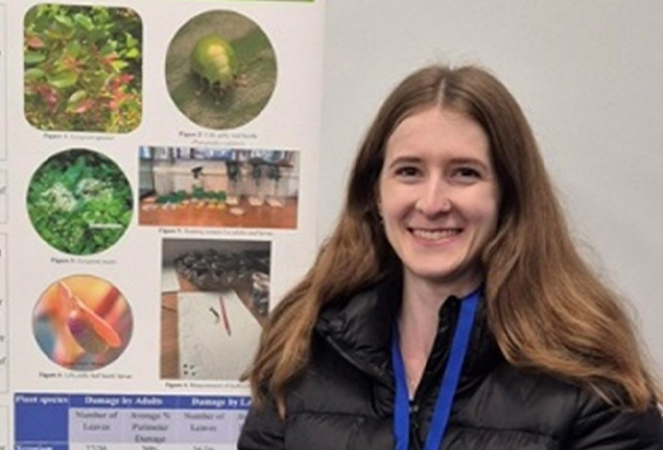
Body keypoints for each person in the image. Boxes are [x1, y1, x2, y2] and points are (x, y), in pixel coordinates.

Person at [238, 65, 663, 450]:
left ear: (508, 195)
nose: (432, 202)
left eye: (464, 173)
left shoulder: (592, 384)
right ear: (375, 192)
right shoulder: (304, 351)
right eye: (409, 171)